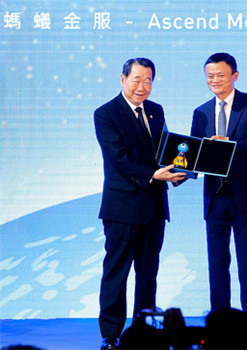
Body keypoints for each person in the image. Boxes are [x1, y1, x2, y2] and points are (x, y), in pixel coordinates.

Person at [94, 58, 186, 349]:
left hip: (154, 207)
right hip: (122, 208)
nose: (142, 87)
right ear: (122, 79)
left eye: (148, 81)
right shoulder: (106, 114)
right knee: (116, 272)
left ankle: (143, 330)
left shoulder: (156, 111)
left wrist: (178, 170)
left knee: (148, 273)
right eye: (136, 80)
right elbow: (117, 157)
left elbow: (166, 150)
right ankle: (111, 334)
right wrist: (152, 174)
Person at [191, 52, 247, 312]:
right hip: (215, 198)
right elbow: (195, 154)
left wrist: (229, 146)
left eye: (220, 75)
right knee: (216, 264)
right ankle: (219, 321)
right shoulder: (201, 113)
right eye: (210, 76)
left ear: (234, 76)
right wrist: (181, 170)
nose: (215, 80)